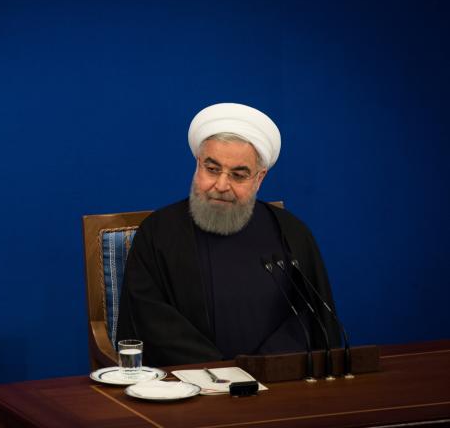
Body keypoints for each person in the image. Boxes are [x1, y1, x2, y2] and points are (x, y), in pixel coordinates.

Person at [116, 103, 340, 367]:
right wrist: (219, 373)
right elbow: (149, 321)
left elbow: (312, 317)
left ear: (259, 178)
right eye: (212, 169)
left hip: (274, 387)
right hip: (185, 388)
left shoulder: (291, 234)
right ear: (197, 164)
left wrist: (260, 369)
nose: (222, 185)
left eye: (238, 175)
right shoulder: (158, 233)